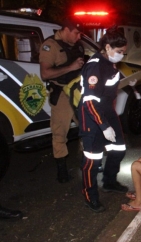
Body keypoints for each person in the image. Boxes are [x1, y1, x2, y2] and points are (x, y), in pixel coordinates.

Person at [78, 26, 129, 213]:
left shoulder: (109, 63)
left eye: (124, 52)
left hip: (107, 112)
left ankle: (109, 181)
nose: (122, 55)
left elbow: (106, 90)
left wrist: (124, 83)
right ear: (107, 47)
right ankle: (90, 196)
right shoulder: (95, 65)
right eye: (119, 52)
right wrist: (103, 126)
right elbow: (90, 101)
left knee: (119, 149)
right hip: (93, 117)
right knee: (93, 160)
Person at [39, 18, 85, 183]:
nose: (79, 37)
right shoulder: (50, 46)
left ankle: (88, 161)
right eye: (76, 33)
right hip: (63, 95)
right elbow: (45, 74)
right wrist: (70, 68)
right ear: (66, 29)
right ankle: (62, 170)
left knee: (87, 127)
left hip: (79, 93)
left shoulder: (77, 45)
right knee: (60, 133)